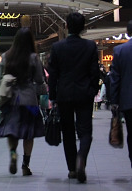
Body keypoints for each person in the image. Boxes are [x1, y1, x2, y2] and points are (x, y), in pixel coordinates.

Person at [47, 11, 99, 182]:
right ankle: (81, 157)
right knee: (85, 131)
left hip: (64, 95)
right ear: (83, 28)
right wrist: (92, 90)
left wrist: (53, 95)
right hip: (84, 94)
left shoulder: (57, 47)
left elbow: (53, 75)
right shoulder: (91, 46)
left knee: (68, 132)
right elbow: (94, 73)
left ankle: (72, 169)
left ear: (66, 26)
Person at [0, 27, 45, 177]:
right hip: (30, 101)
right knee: (29, 133)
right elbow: (39, 80)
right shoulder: (33, 58)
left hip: (11, 100)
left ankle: (12, 153)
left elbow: (1, 77)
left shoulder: (5, 56)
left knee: (12, 130)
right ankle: (25, 165)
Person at [108, 19, 132, 169]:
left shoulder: (120, 51)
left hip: (128, 101)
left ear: (128, 33)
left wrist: (114, 101)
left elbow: (115, 79)